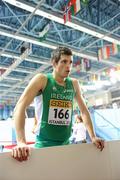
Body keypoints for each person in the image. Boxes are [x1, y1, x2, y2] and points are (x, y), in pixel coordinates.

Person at [12, 46, 104, 162]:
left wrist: (93, 136)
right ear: (54, 63)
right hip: (44, 147)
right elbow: (20, 107)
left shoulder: (74, 84)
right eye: (64, 62)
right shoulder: (42, 80)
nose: (68, 66)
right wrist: (21, 141)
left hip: (66, 146)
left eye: (70, 62)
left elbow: (84, 111)